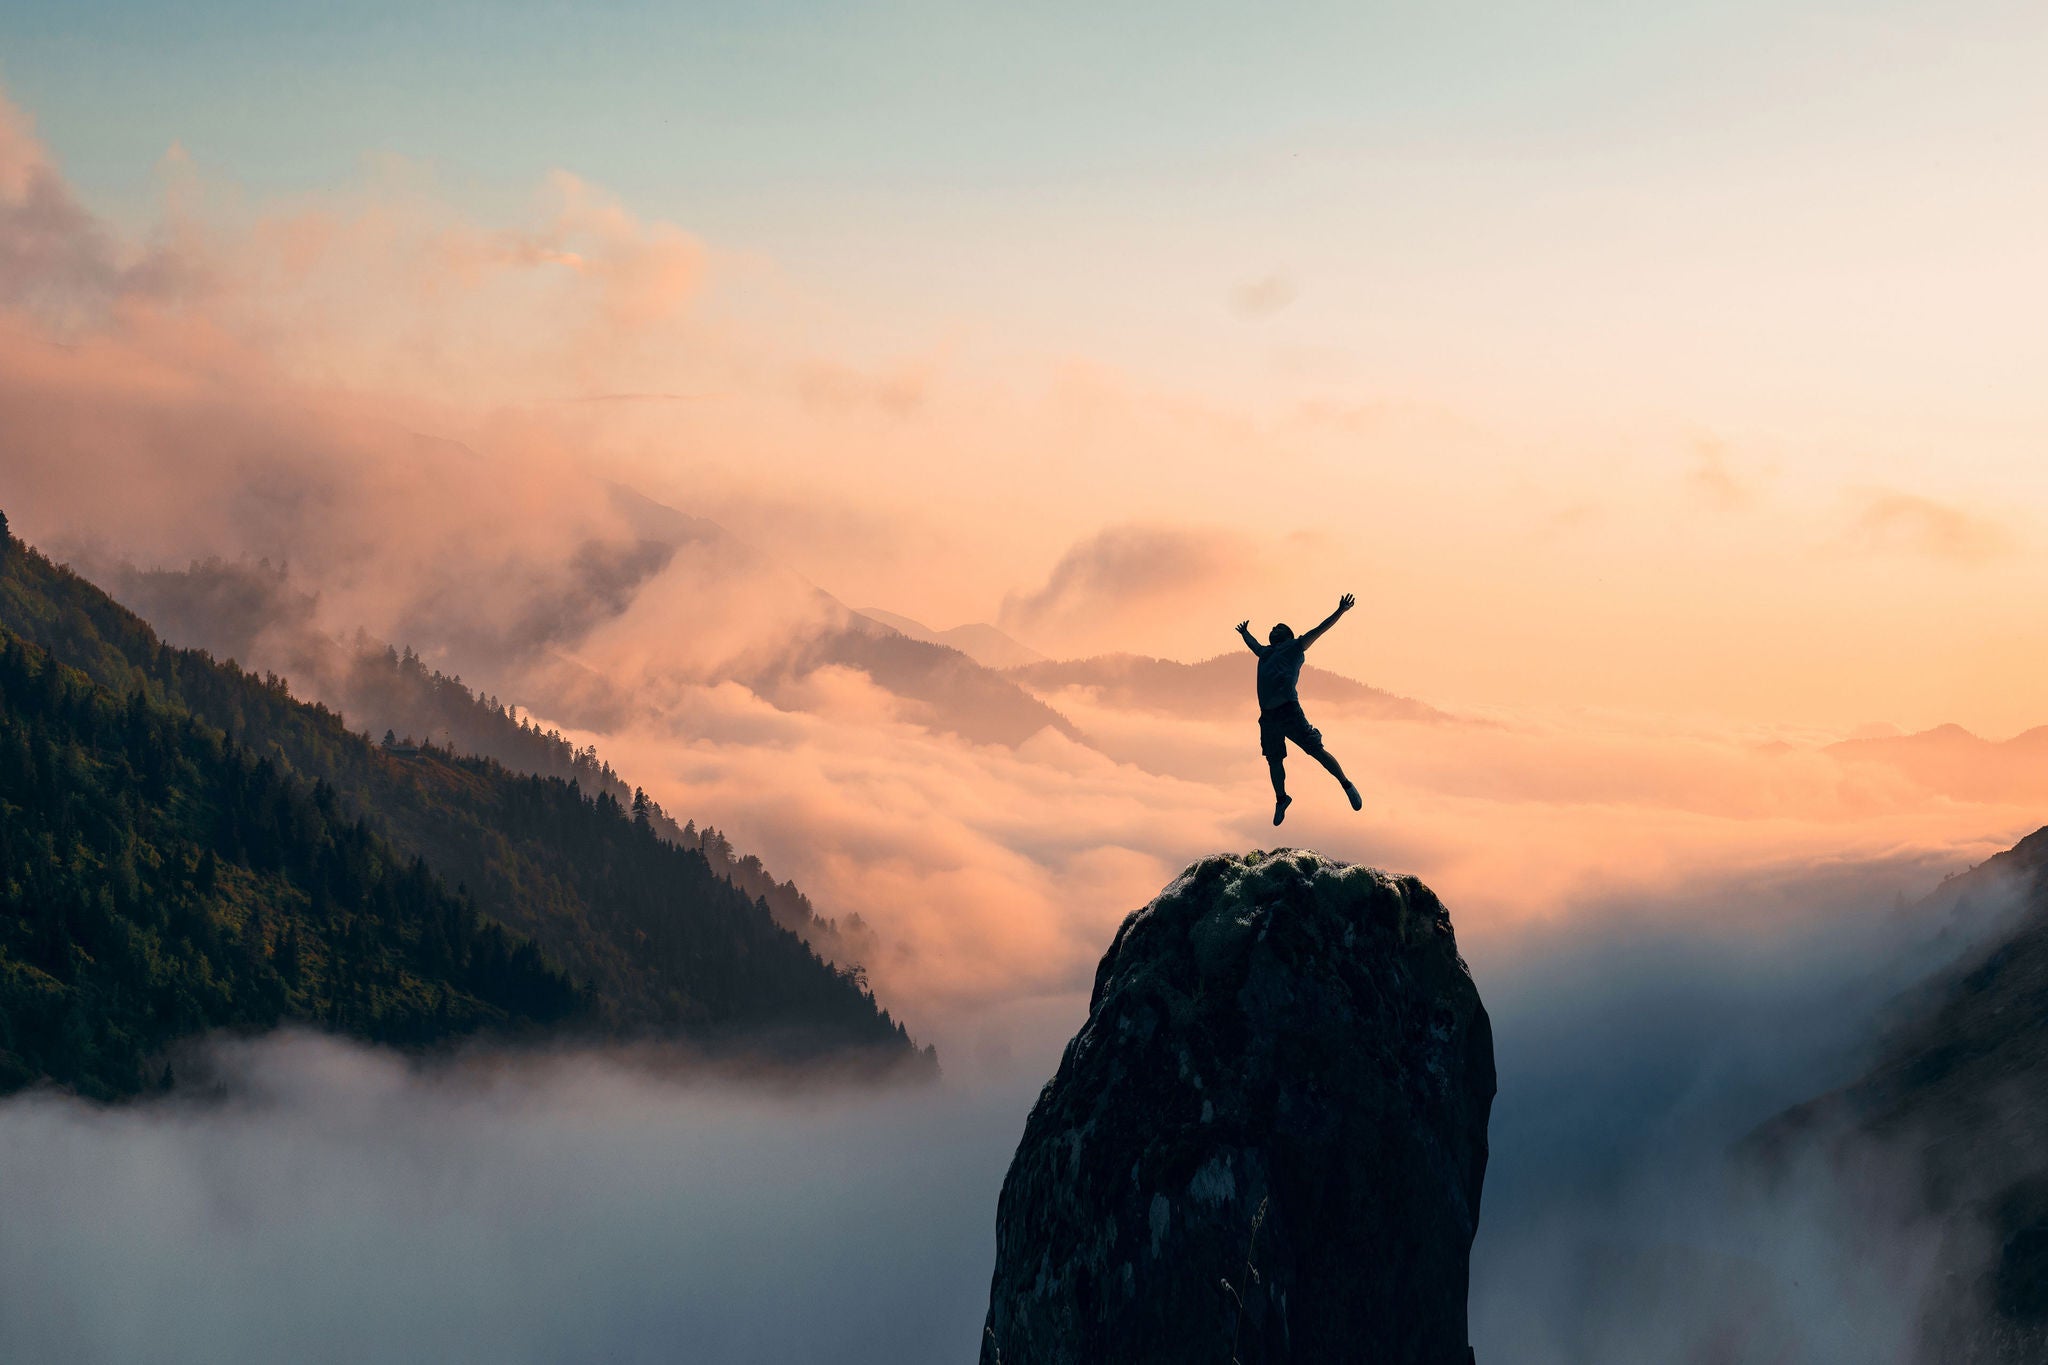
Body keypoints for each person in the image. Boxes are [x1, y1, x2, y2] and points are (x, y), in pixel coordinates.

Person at [1236, 593, 1362, 826]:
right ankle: (1281, 799)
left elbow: (1320, 629)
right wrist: (1245, 634)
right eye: (1272, 627)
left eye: (1278, 627)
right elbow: (1254, 645)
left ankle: (1346, 784)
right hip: (1268, 717)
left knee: (1315, 750)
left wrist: (1340, 610)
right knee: (1274, 760)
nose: (1273, 629)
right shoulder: (1265, 652)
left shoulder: (1295, 647)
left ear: (1286, 635)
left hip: (1288, 711)